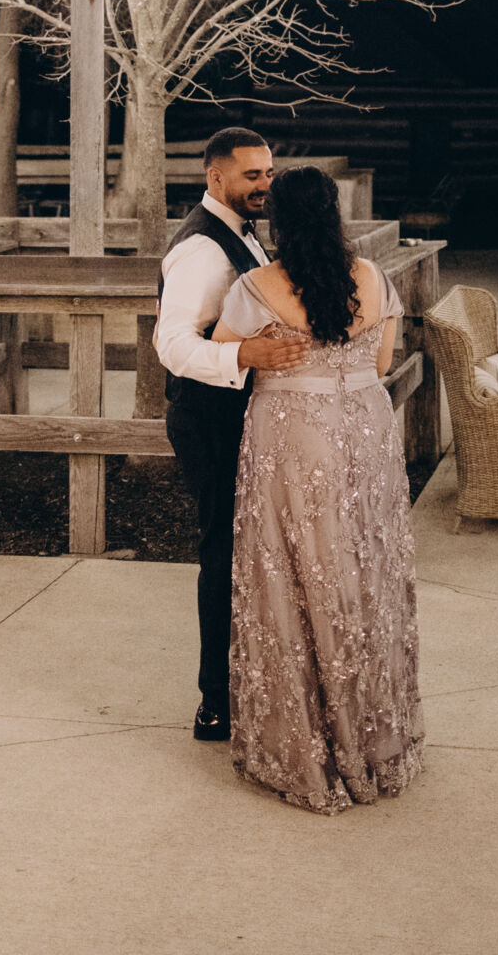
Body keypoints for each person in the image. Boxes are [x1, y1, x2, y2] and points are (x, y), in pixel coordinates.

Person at [211, 164, 424, 813]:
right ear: (335, 215)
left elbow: (223, 356)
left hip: (293, 434)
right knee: (362, 568)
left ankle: (308, 742)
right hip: (366, 430)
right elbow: (381, 364)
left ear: (278, 221)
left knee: (297, 573)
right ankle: (370, 737)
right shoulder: (375, 278)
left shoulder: (256, 286)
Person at [156, 128, 310, 743]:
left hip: (234, 413)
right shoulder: (201, 248)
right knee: (222, 553)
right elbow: (172, 345)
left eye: (268, 173)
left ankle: (245, 682)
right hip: (206, 419)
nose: (265, 185)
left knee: (244, 553)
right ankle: (214, 703)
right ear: (215, 177)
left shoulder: (243, 232)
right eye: (251, 176)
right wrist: (245, 354)